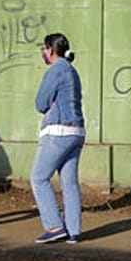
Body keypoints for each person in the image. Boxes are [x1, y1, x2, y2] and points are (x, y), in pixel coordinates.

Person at [31, 33, 85, 244]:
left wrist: (50, 103)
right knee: (69, 182)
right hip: (77, 132)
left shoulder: (55, 71)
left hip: (58, 131)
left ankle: (54, 226)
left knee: (39, 178)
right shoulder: (73, 71)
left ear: (50, 50)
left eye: (44, 50)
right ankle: (73, 231)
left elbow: (40, 103)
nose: (43, 54)